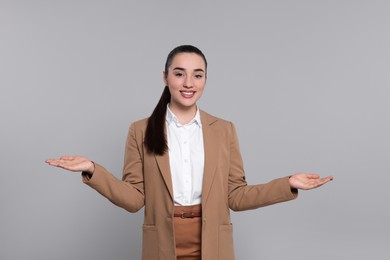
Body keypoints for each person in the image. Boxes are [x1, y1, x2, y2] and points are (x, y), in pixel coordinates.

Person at [46, 45, 333, 260]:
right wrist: (93, 170)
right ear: (165, 77)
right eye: (179, 73)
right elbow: (134, 200)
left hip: (213, 244)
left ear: (205, 79)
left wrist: (287, 184)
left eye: (198, 75)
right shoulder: (140, 130)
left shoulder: (224, 130)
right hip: (162, 244)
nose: (188, 83)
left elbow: (236, 196)